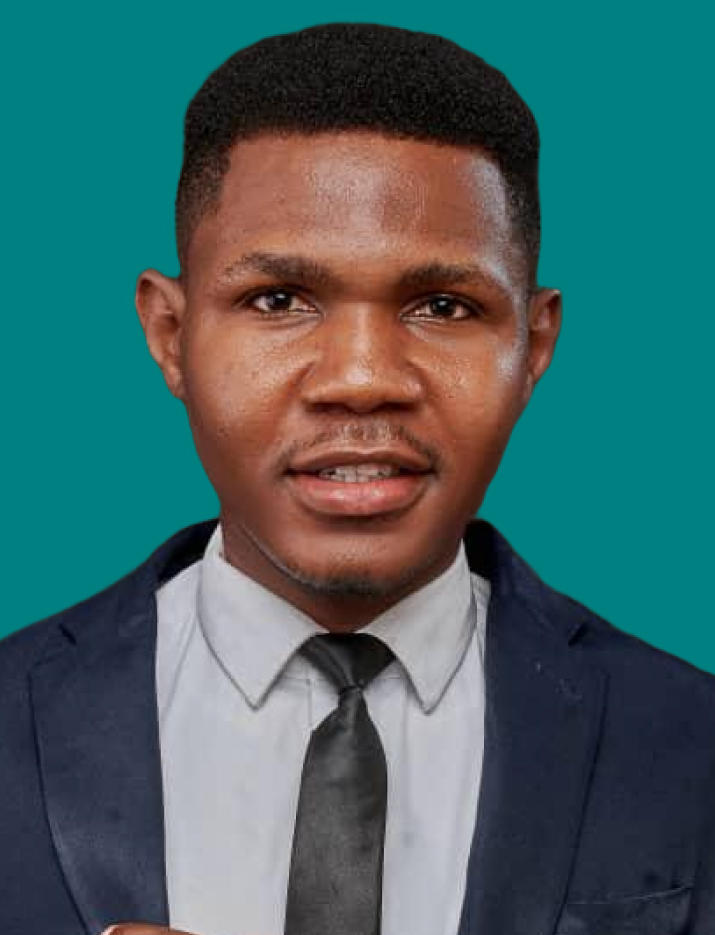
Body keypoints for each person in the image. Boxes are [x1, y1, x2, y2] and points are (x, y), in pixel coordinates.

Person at [2, 21, 714, 935]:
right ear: (170, 335)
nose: (361, 377)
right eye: (278, 300)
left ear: (532, 345)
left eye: (442, 305)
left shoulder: (690, 740)